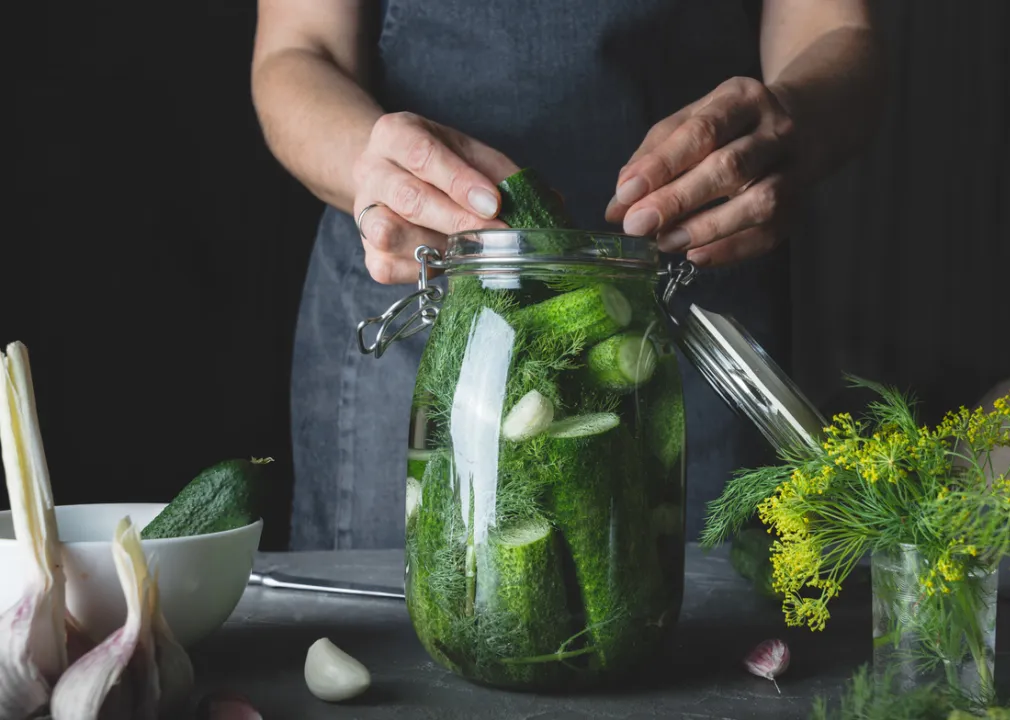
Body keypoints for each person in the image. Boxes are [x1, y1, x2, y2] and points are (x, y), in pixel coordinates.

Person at [251, 0, 884, 550]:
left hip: (683, 311)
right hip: (430, 296)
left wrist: (791, 118)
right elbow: (296, 51)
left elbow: (833, 29)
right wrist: (375, 167)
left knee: (698, 643)